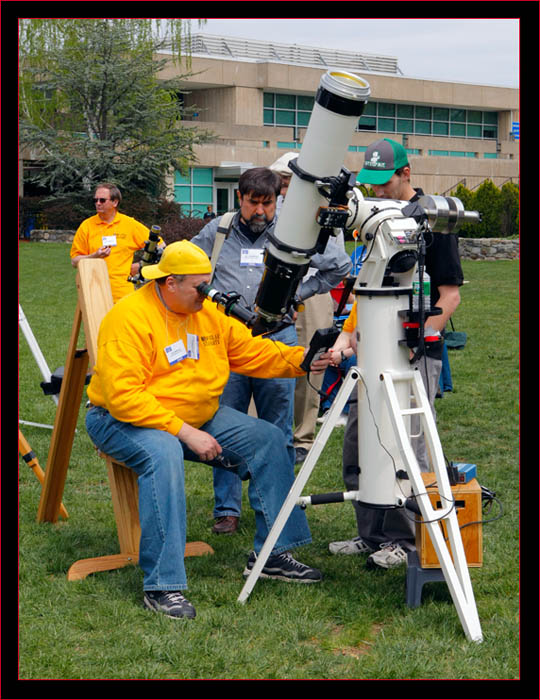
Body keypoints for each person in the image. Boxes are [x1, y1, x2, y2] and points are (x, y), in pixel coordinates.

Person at [85, 240, 329, 620]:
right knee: (163, 453)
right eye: (199, 286)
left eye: (208, 283)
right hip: (121, 419)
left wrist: (304, 359)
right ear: (169, 283)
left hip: (194, 416)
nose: (207, 293)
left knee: (267, 439)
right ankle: (163, 586)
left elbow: (251, 352)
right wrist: (183, 432)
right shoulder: (128, 318)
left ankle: (273, 554)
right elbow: (122, 396)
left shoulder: (207, 314)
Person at [191, 167, 352, 533]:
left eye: (268, 202)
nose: (260, 210)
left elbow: (339, 267)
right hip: (225, 342)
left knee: (276, 428)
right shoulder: (217, 231)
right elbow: (194, 273)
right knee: (222, 425)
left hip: (278, 339)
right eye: (253, 203)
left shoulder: (293, 232)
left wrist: (299, 293)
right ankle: (226, 511)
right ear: (240, 198)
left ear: (278, 199)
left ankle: (275, 507)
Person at [328, 138, 464, 569]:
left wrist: (417, 339)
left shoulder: (433, 221)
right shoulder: (373, 220)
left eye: (383, 183)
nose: (377, 192)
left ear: (407, 173)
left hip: (413, 354)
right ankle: (371, 534)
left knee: (410, 448)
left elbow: (450, 295)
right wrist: (348, 337)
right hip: (370, 355)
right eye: (370, 184)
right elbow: (366, 286)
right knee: (359, 441)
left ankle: (404, 540)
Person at [268, 153, 348, 464]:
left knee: (312, 362)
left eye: (288, 183)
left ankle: (303, 437)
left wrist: (304, 289)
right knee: (269, 360)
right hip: (277, 292)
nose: (285, 189)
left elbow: (336, 259)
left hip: (312, 294)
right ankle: (271, 433)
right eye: (282, 183)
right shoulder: (273, 210)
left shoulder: (325, 211)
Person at [70, 183, 162, 304]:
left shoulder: (129, 224)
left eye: (102, 200)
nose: (98, 203)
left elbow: (160, 247)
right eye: (95, 200)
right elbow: (74, 261)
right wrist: (94, 256)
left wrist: (141, 266)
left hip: (122, 294)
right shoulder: (86, 226)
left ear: (115, 202)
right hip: (94, 292)